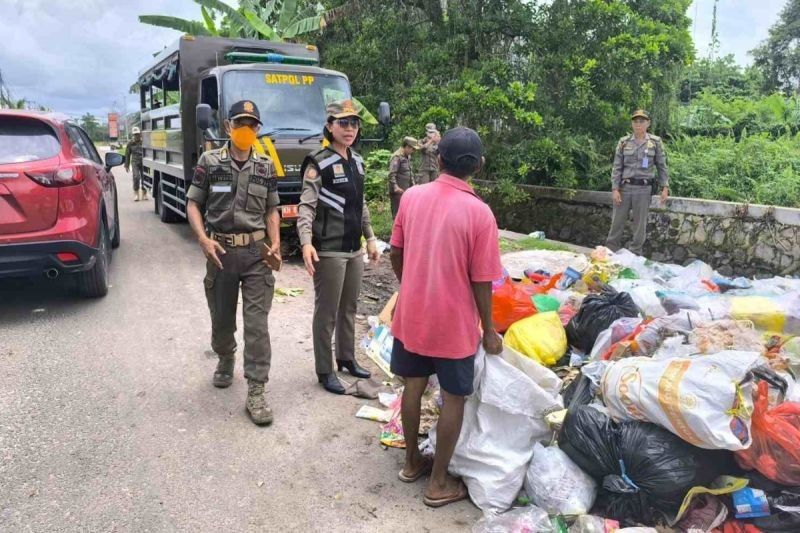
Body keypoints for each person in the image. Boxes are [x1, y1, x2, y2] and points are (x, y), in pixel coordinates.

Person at [389, 126, 504, 508]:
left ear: (438, 160)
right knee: (454, 397)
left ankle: (410, 463)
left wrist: (410, 286)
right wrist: (489, 329)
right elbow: (482, 280)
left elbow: (395, 251)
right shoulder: (480, 213)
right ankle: (438, 482)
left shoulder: (412, 198)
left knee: (413, 384)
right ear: (479, 165)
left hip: (412, 314)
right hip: (453, 324)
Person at [185, 100, 282, 426]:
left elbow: (272, 209)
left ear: (258, 129)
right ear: (228, 126)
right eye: (240, 122)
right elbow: (193, 204)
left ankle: (256, 390)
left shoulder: (266, 166)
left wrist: (276, 242)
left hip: (256, 255)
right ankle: (225, 357)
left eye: (252, 124)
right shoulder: (210, 162)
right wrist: (203, 239)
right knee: (222, 320)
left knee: (257, 326)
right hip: (221, 254)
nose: (246, 129)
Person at [297, 100, 380, 395]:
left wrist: (369, 237)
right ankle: (325, 369)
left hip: (353, 249)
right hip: (329, 250)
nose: (350, 129)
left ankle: (346, 358)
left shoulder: (357, 161)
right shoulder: (318, 162)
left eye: (354, 123)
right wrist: (306, 243)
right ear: (330, 125)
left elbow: (361, 205)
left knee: (349, 308)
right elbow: (306, 207)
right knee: (327, 311)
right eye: (343, 123)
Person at [606, 109, 669, 256]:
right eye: (635, 121)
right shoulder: (624, 142)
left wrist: (664, 187)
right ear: (632, 124)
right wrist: (615, 189)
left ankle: (635, 254)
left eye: (642, 121)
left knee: (640, 225)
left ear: (648, 123)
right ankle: (609, 252)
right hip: (624, 188)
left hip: (643, 189)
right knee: (617, 222)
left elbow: (662, 166)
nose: (638, 124)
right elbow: (617, 167)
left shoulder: (655, 142)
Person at [388, 136, 421, 217]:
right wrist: (395, 187)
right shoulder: (397, 157)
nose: (413, 151)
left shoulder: (407, 156)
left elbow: (409, 172)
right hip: (398, 192)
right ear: (407, 147)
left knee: (406, 213)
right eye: (412, 149)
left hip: (406, 190)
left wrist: (413, 185)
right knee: (397, 214)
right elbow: (391, 174)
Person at [124, 127, 146, 201]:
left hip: (144, 162)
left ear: (140, 134)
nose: (136, 136)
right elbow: (127, 154)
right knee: (136, 177)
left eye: (138, 134)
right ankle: (136, 193)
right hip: (135, 162)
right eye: (135, 134)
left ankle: (144, 193)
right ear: (133, 135)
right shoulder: (130, 143)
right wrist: (126, 165)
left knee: (145, 177)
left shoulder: (144, 142)